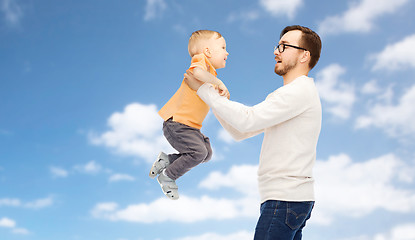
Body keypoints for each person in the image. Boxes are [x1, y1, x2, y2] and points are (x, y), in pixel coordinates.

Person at [184, 25, 322, 240]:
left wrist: (203, 90)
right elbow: (241, 131)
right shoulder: (293, 94)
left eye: (285, 46)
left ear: (304, 55)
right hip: (289, 200)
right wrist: (214, 97)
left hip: (284, 200)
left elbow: (246, 120)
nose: (276, 51)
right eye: (278, 45)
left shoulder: (297, 92)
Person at [149, 30, 230, 200]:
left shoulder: (211, 75)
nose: (226, 52)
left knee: (206, 154)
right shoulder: (201, 61)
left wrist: (220, 92)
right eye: (223, 47)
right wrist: (219, 83)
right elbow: (198, 74)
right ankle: (168, 176)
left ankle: (167, 160)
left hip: (191, 128)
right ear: (207, 51)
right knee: (198, 153)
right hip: (177, 123)